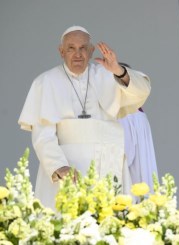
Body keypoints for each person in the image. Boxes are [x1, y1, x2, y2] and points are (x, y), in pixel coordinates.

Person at [18, 26, 151, 209]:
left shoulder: (107, 75)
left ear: (91, 51)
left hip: (107, 166)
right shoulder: (46, 82)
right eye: (71, 48)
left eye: (83, 48)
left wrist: (119, 70)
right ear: (61, 51)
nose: (77, 54)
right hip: (67, 172)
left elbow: (142, 91)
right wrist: (58, 167)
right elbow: (43, 136)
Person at [117, 63, 158, 191]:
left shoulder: (125, 114)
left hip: (131, 185)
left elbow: (125, 155)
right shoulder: (138, 113)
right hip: (142, 181)